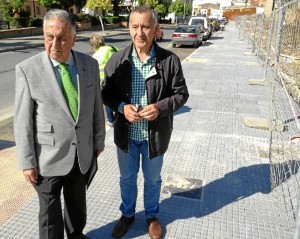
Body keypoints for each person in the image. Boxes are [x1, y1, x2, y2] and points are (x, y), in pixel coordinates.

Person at [14, 9, 106, 239]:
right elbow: (22, 121)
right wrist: (27, 162)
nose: (54, 44)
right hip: (46, 157)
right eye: (49, 37)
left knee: (77, 205)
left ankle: (76, 235)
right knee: (49, 215)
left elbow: (96, 107)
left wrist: (98, 140)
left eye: (62, 38)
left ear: (74, 39)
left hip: (81, 154)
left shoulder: (89, 66)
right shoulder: (27, 69)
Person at [102, 5, 189, 239]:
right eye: (135, 26)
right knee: (127, 179)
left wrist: (159, 108)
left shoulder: (169, 61)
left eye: (145, 26)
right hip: (126, 136)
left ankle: (152, 216)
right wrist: (122, 107)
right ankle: (127, 215)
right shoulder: (118, 60)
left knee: (152, 180)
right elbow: (106, 94)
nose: (139, 32)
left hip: (155, 137)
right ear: (129, 28)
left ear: (155, 30)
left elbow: (182, 94)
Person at [89, 33, 118, 127]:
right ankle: (118, 117)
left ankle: (110, 120)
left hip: (105, 82)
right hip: (117, 79)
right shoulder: (112, 48)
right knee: (118, 98)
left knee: (107, 101)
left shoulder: (95, 57)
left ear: (93, 45)